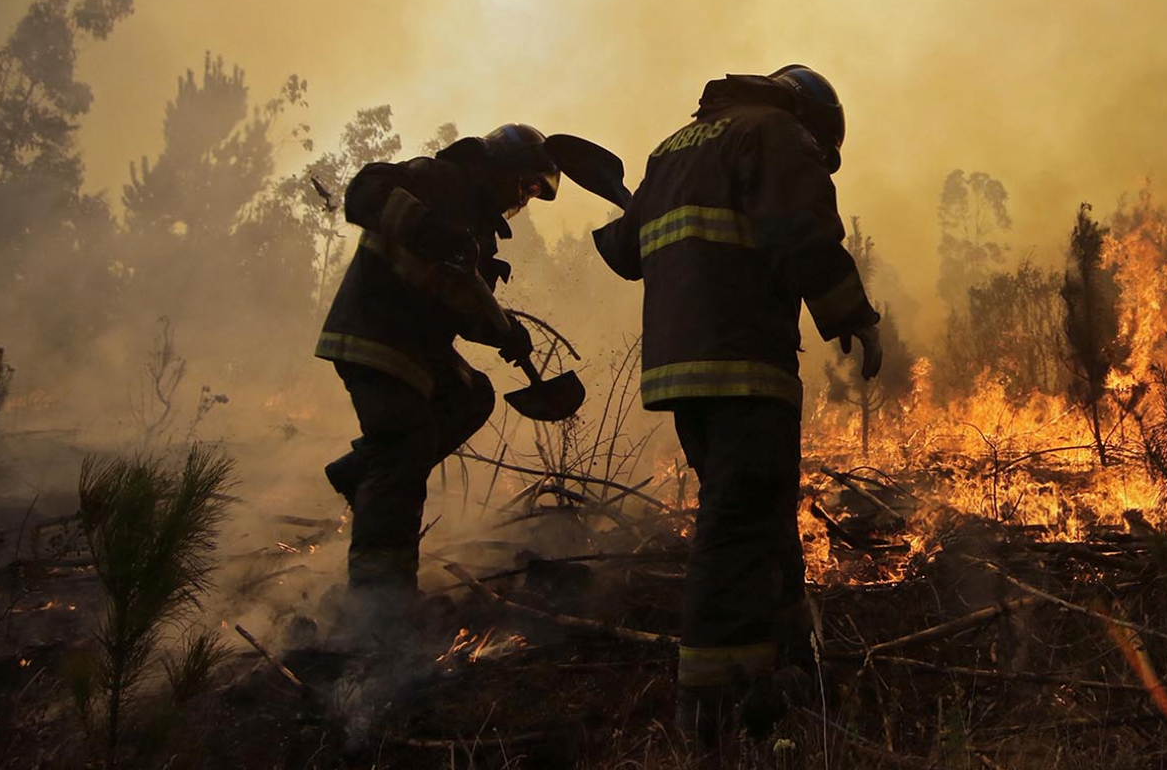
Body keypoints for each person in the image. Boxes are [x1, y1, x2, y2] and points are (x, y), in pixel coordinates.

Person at [592, 64, 882, 748]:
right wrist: (850, 311)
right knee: (735, 522)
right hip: (744, 358)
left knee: (758, 508)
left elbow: (625, 251)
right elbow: (799, 229)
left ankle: (788, 668)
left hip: (679, 370)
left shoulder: (674, 147)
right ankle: (711, 706)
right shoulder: (775, 131)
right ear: (813, 118)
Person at [315, 124, 555, 620]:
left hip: (416, 348)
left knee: (471, 398)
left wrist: (505, 332)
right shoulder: (437, 178)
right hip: (374, 333)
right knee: (404, 445)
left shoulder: (477, 234)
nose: (525, 200)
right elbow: (363, 193)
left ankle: (363, 471)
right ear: (502, 167)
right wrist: (429, 230)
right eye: (526, 185)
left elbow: (460, 305)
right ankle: (378, 602)